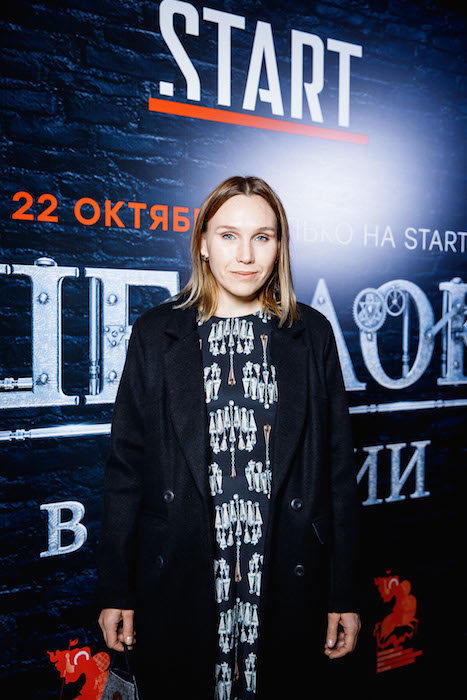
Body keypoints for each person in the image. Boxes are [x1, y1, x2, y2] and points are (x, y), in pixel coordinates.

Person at [95, 175, 361, 699]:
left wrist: (345, 592)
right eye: (228, 235)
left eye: (262, 237)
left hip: (285, 573)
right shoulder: (155, 333)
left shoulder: (311, 333)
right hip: (182, 571)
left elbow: (338, 470)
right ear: (202, 243)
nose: (245, 255)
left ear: (280, 246)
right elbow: (126, 468)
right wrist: (115, 586)